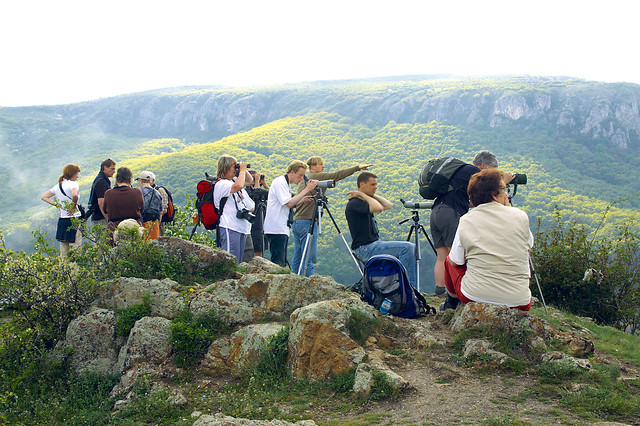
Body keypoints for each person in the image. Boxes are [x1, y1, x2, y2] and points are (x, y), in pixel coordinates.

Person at [440, 168, 533, 312]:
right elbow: (528, 245)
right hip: (520, 301)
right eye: (503, 189)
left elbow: (455, 262)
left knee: (448, 261)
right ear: (495, 195)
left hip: (475, 296)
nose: (506, 194)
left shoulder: (467, 220)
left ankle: (451, 303)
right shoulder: (521, 216)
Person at [431, 150, 515, 297]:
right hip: (451, 213)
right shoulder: (473, 171)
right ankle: (455, 293)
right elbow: (488, 190)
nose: (490, 175)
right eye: (492, 171)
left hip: (437, 211)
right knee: (454, 255)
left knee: (441, 256)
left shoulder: (461, 172)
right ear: (483, 165)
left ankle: (439, 290)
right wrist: (504, 182)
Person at [291, 157, 373, 276]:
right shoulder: (314, 177)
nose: (323, 167)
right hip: (308, 222)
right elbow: (337, 175)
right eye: (320, 165)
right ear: (312, 167)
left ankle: (294, 279)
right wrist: (357, 168)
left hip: (298, 221)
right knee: (309, 258)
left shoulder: (305, 179)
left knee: (298, 256)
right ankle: (307, 284)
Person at [345, 172, 418, 288]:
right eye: (372, 184)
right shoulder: (355, 203)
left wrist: (367, 195)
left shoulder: (363, 201)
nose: (376, 187)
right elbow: (378, 208)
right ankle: (410, 289)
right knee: (407, 248)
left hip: (373, 245)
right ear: (362, 184)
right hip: (365, 249)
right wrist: (363, 195)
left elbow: (388, 205)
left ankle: (402, 288)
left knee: (408, 248)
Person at [263, 161, 318, 267]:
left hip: (281, 227)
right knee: (278, 263)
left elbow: (288, 203)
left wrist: (302, 200)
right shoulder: (280, 182)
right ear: (292, 172)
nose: (302, 178)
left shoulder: (285, 184)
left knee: (281, 262)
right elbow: (289, 203)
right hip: (276, 228)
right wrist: (307, 189)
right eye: (300, 175)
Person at [213, 155, 255, 264]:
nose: (235, 170)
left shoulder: (232, 181)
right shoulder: (222, 184)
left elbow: (250, 181)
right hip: (229, 226)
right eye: (233, 167)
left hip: (240, 228)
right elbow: (239, 186)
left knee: (238, 262)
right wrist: (241, 170)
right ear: (226, 168)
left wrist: (243, 169)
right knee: (230, 262)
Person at [41, 163, 83, 258]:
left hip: (62, 219)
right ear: (72, 174)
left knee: (64, 251)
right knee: (76, 250)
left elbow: (44, 197)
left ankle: (64, 270)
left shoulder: (57, 186)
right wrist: (73, 206)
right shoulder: (73, 184)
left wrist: (56, 205)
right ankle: (75, 272)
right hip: (74, 219)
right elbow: (75, 195)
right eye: (77, 174)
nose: (77, 176)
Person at [243, 170, 269, 262]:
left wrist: (264, 183)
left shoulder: (261, 190)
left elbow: (271, 196)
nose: (254, 180)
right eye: (252, 177)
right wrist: (256, 181)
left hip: (261, 225)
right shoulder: (246, 190)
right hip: (253, 225)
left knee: (260, 250)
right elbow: (256, 193)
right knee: (254, 254)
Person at [88, 159, 116, 227]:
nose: (114, 171)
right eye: (112, 169)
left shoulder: (100, 180)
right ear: (105, 168)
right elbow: (101, 202)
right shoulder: (101, 182)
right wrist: (108, 219)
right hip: (101, 219)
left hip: (98, 217)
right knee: (104, 237)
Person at [136, 171, 163, 240]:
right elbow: (161, 211)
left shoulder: (139, 192)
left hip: (142, 224)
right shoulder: (157, 193)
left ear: (141, 181)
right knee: (153, 247)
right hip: (154, 225)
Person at [149, 172, 170, 236]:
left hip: (158, 224)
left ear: (153, 181)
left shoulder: (160, 190)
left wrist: (157, 221)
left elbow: (164, 209)